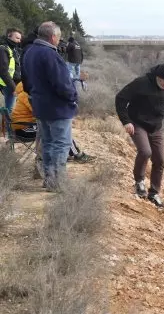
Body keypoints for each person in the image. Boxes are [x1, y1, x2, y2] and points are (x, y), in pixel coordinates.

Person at [22, 22, 77, 191]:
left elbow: (25, 82)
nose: (59, 41)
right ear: (53, 37)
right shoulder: (50, 55)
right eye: (58, 37)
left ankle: (49, 179)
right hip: (57, 107)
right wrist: (72, 97)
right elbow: (61, 83)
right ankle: (58, 183)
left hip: (40, 105)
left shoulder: (29, 52)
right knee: (61, 144)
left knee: (47, 143)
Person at [115, 63, 164, 207]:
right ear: (158, 77)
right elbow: (120, 98)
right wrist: (126, 121)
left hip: (155, 127)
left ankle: (154, 193)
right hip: (137, 123)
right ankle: (139, 183)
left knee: (160, 160)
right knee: (145, 151)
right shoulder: (141, 83)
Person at [11, 82, 94, 164]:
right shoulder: (26, 95)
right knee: (61, 131)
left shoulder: (24, 93)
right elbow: (37, 111)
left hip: (23, 127)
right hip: (24, 130)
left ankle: (64, 155)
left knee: (58, 130)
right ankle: (77, 155)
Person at [0, 28, 22, 119]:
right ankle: (8, 130)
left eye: (20, 39)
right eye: (17, 38)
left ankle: (6, 127)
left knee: (11, 108)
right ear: (9, 36)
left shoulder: (14, 49)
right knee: (10, 109)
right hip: (9, 84)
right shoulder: (3, 49)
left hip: (14, 83)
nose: (19, 41)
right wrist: (14, 87)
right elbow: (3, 71)